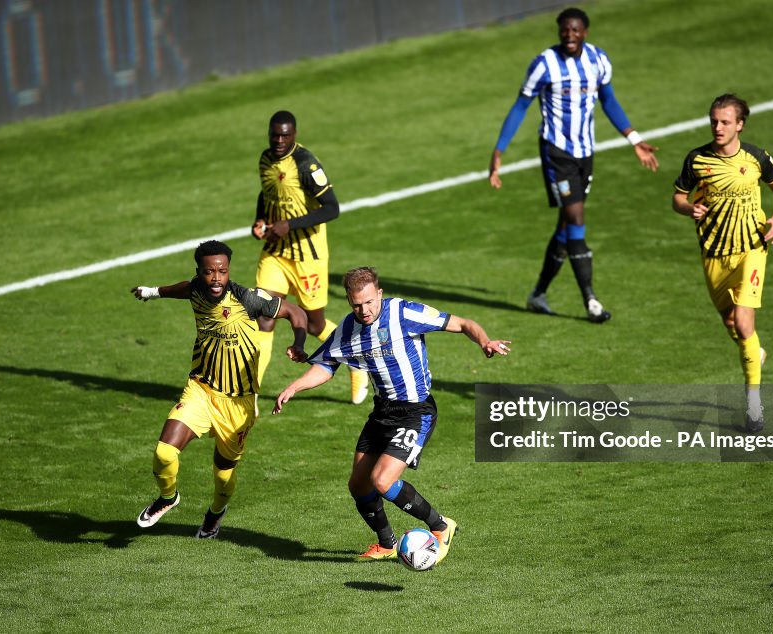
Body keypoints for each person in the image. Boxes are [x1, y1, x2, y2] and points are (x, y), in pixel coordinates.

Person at [272, 266, 511, 561]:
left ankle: (440, 525)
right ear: (349, 301)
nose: (365, 310)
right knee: (358, 485)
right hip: (382, 412)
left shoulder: (403, 313)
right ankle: (387, 544)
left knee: (382, 481)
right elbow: (325, 365)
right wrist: (294, 387)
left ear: (379, 294)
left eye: (370, 302)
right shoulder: (348, 328)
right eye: (357, 305)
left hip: (416, 412)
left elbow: (462, 323)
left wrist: (484, 341)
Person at [488, 6, 658, 323]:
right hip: (557, 153)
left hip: (585, 153)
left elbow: (609, 100)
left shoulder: (598, 61)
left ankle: (538, 294)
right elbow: (521, 106)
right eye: (565, 29)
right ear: (559, 31)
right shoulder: (544, 65)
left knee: (566, 226)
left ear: (585, 32)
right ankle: (591, 301)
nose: (569, 35)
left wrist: (634, 139)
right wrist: (499, 151)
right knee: (576, 217)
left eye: (575, 30)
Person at [130, 240, 309, 537]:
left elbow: (296, 313)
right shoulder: (196, 289)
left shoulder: (249, 299)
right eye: (209, 272)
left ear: (228, 271)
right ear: (199, 272)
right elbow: (180, 289)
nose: (216, 278)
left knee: (223, 473)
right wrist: (152, 292)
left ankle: (216, 512)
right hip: (201, 389)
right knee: (164, 453)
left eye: (222, 272)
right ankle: (167, 497)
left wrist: (299, 344)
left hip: (238, 403)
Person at [672, 94, 773, 433]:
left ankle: (753, 405)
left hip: (752, 248)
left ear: (740, 124)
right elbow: (678, 197)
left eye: (725, 121)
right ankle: (756, 353)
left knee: (743, 320)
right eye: (714, 121)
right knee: (733, 327)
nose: (717, 127)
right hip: (713, 255)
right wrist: (687, 208)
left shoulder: (756, 158)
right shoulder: (697, 160)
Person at [252, 110, 369, 404]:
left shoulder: (306, 164)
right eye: (274, 135)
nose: (279, 140)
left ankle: (356, 363)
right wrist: (260, 219)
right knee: (265, 316)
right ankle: (249, 392)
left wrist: (288, 225)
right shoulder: (266, 160)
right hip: (276, 253)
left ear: (294, 135)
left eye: (285, 135)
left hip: (308, 256)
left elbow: (332, 208)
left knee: (315, 325)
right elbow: (267, 192)